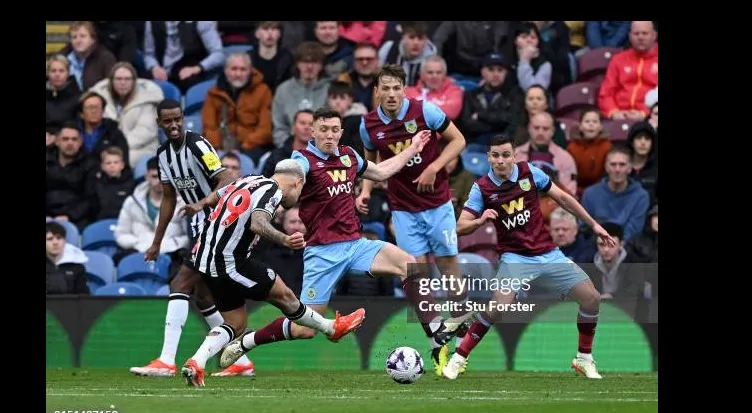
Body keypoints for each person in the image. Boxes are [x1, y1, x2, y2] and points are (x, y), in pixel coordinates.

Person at [215, 108, 467, 371]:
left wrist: (413, 148)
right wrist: (280, 186)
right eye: (323, 129)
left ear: (341, 132)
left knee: (409, 264)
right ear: (312, 132)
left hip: (356, 244)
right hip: (323, 252)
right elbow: (285, 177)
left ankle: (436, 338)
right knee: (305, 329)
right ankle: (247, 342)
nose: (329, 135)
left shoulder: (348, 155)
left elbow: (380, 173)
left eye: (335, 130)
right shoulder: (303, 160)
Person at [442, 133, 616, 380]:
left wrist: (595, 225)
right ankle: (458, 358)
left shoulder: (530, 172)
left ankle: (583, 358)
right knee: (497, 308)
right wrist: (481, 220)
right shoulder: (481, 187)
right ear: (488, 158)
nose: (501, 160)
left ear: (514, 155)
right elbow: (460, 226)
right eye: (495, 155)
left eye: (505, 155)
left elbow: (564, 198)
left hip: (548, 253)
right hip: (515, 258)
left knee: (591, 299)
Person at [179, 160, 365, 387]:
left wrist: (201, 205)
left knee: (236, 323)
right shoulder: (272, 190)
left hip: (204, 258)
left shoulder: (249, 179)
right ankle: (331, 328)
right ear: (298, 183)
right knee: (285, 296)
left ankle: (196, 362)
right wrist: (285, 239)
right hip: (227, 261)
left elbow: (218, 195)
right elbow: (258, 223)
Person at [355, 63, 468, 376]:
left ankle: (460, 316)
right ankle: (436, 341)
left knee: (447, 266)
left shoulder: (425, 112)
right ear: (376, 91)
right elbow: (370, 161)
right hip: (403, 208)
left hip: (438, 203)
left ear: (404, 89)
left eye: (396, 88)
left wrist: (435, 167)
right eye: (385, 89)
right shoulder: (368, 125)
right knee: (415, 274)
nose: (391, 94)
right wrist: (365, 191)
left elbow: (459, 141)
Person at [129, 98, 248, 377]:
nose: (173, 125)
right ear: (159, 123)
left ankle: (167, 361)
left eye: (177, 119)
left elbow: (226, 177)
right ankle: (240, 362)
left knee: (180, 282)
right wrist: (157, 242)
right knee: (204, 296)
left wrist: (203, 203)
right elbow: (168, 198)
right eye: (167, 121)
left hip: (219, 218)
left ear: (183, 118)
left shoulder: (198, 144)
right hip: (200, 224)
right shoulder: (163, 155)